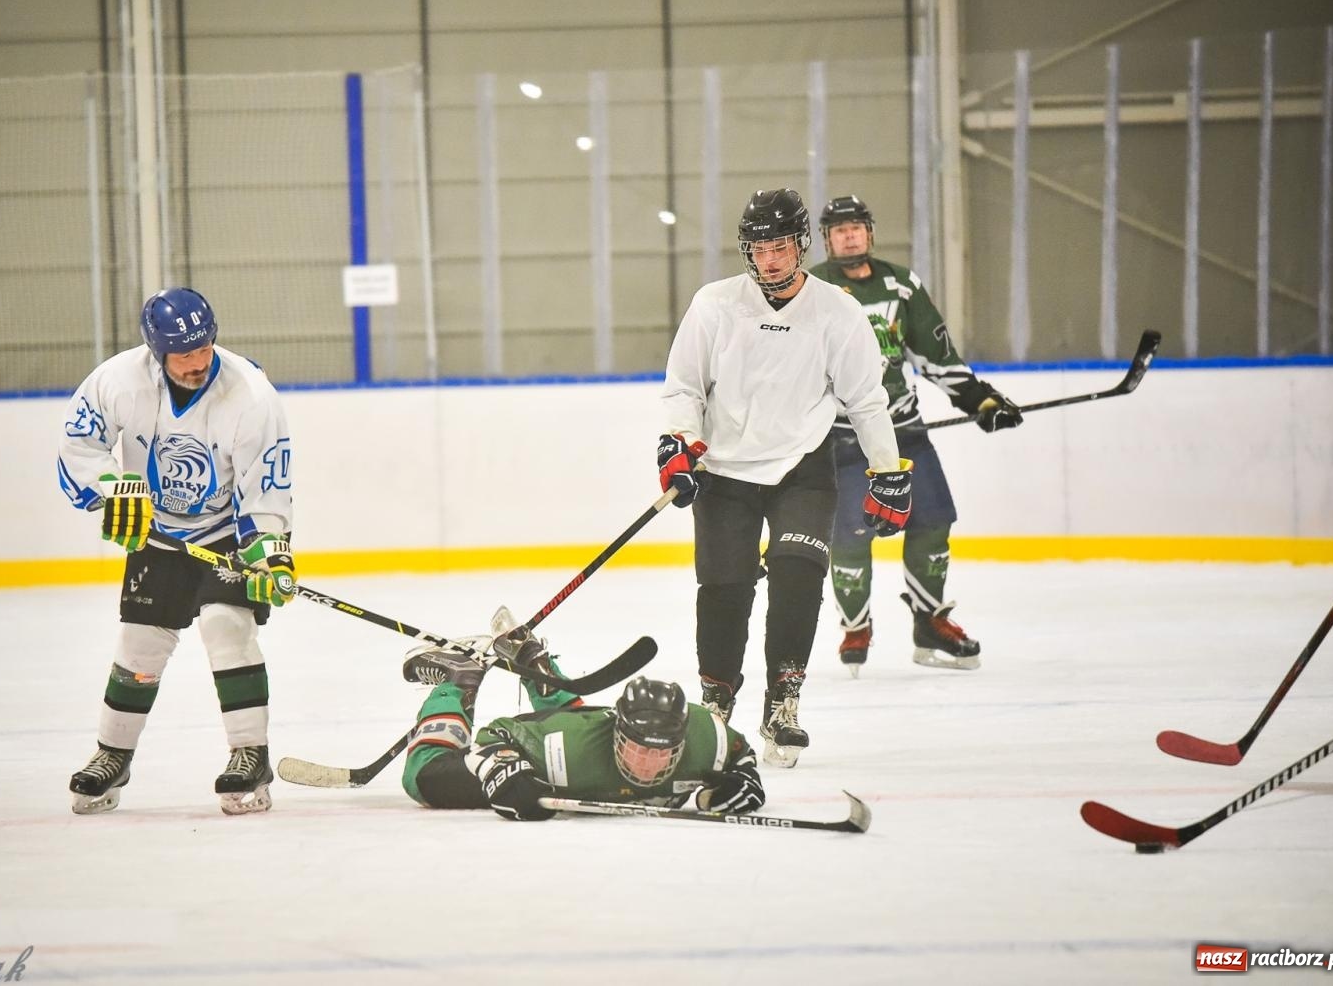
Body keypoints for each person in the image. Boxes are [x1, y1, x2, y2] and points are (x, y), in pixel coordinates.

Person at [659, 188, 911, 768]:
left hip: (803, 468)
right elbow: (684, 386)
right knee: (725, 589)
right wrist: (678, 443)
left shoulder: (836, 311)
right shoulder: (715, 304)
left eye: (779, 246)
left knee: (798, 580)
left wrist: (887, 471)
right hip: (724, 470)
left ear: (800, 245)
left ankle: (783, 702)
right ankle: (716, 707)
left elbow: (867, 400)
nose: (769, 260)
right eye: (758, 248)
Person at [56, 286, 296, 815]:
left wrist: (270, 552)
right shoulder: (118, 380)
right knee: (140, 645)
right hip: (157, 532)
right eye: (184, 353)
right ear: (156, 349)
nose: (197, 361)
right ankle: (111, 755)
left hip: (225, 532)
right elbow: (79, 446)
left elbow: (267, 483)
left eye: (205, 347)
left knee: (225, 627)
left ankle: (249, 754)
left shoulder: (251, 393)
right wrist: (112, 489)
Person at [808, 195, 1023, 677]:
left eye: (856, 227)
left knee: (932, 519)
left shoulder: (901, 286)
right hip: (840, 437)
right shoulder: (813, 289)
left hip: (903, 428)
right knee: (849, 536)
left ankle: (929, 621)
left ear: (870, 231)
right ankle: (855, 626)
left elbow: (936, 353)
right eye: (838, 229)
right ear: (825, 238)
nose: (848, 235)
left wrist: (979, 399)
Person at [397, 608, 766, 821]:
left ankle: (530, 660)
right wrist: (503, 769)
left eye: (660, 753)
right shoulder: (564, 745)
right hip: (544, 756)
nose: (647, 765)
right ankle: (457, 679)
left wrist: (744, 780)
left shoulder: (706, 738)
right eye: (639, 748)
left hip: (574, 746)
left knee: (571, 731)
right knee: (426, 778)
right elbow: (497, 735)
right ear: (619, 733)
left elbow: (740, 755)